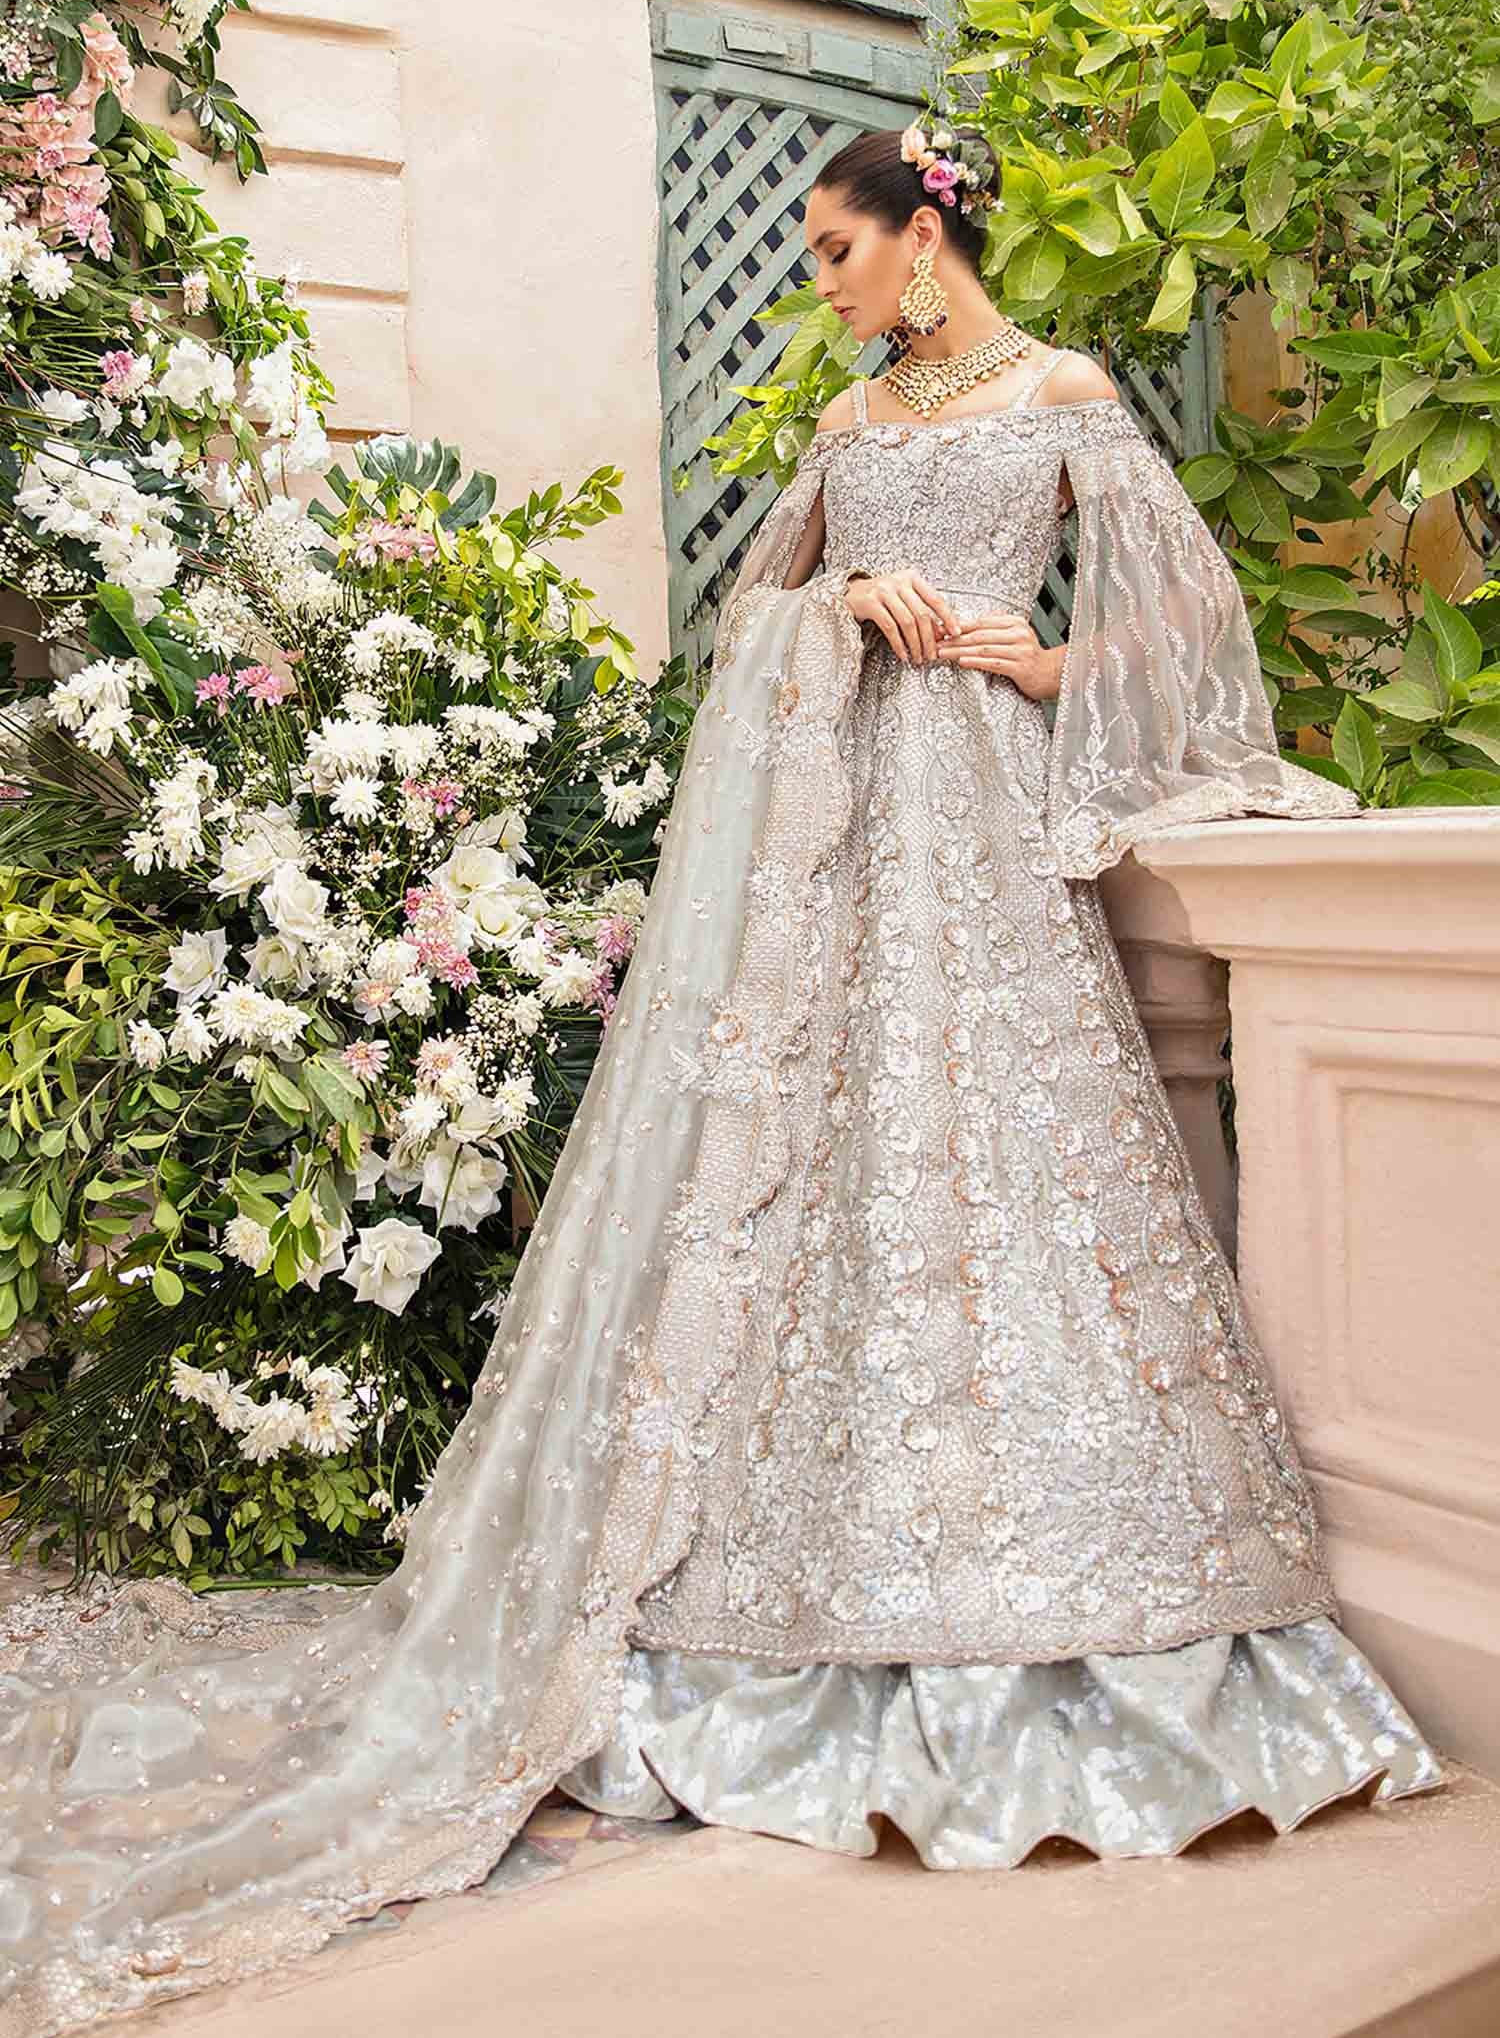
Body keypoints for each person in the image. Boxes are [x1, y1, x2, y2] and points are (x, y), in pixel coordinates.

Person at [0, 123, 1442, 2037]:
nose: (823, 285)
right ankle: (789, 1592)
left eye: (841, 251)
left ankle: (1098, 1614)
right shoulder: (847, 431)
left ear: (925, 236)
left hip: (989, 834)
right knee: (829, 1181)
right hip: (838, 870)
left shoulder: (1066, 397)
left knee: (1023, 1160)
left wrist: (1035, 662)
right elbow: (755, 618)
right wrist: (838, 611)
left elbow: (1190, 623)